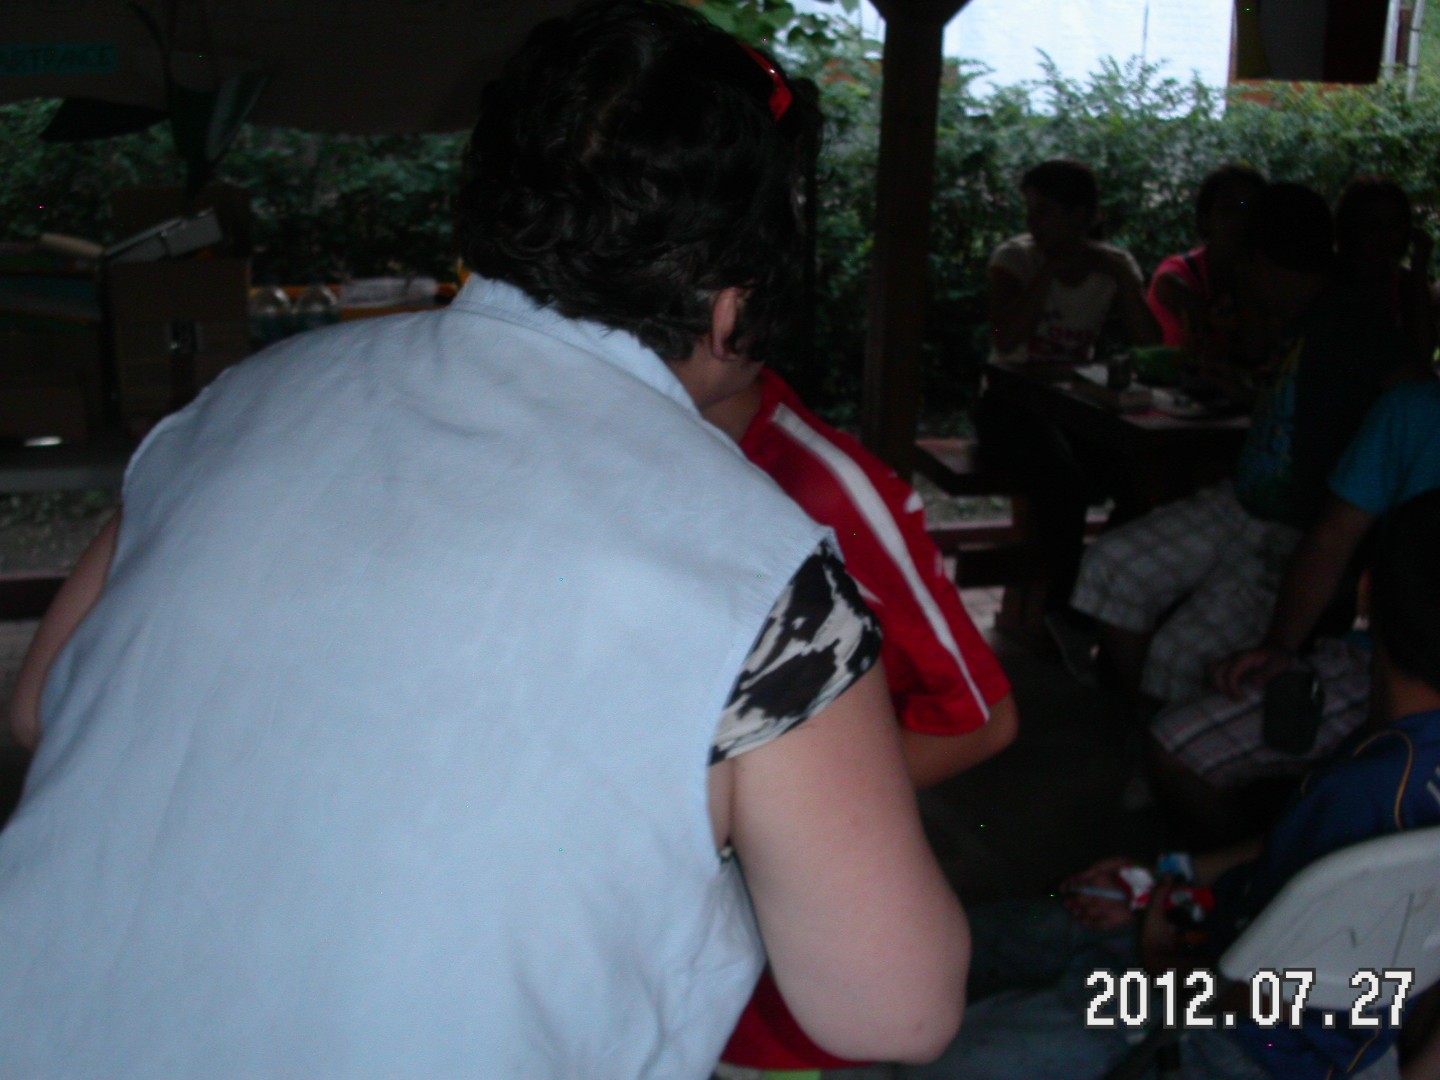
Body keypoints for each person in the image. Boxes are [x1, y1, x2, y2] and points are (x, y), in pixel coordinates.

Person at [0, 4, 970, 1077]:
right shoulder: (759, 559)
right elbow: (895, 1012)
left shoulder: (237, 403)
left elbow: (41, 707)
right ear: (742, 291)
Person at [901, 487, 1440, 1080]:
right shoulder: (1391, 776)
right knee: (986, 936)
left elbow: (1276, 994)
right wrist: (1169, 878)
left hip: (1222, 1025)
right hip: (1222, 953)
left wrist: (1166, 945)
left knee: (945, 1056)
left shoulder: (1366, 788)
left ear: (1365, 593)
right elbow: (1305, 871)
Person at [704, 367, 1019, 1074]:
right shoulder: (643, 446)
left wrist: (775, 814)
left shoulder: (822, 487)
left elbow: (983, 718)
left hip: (784, 965)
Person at [1071, 183, 1419, 709]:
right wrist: (1249, 390)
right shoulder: (1302, 316)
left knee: (1180, 653)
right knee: (1112, 567)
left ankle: (1165, 737)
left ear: (1258, 263)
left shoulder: (1352, 322)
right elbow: (1298, 397)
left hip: (1292, 531)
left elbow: (1415, 391)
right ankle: (1136, 715)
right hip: (1241, 502)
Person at [1149, 374, 1440, 845]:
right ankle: (1246, 870)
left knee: (1368, 798)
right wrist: (1280, 644)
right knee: (1178, 746)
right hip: (1383, 658)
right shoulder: (1415, 411)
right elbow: (1331, 539)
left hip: (1402, 686)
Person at [976, 160, 1161, 633]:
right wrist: (1047, 275)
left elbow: (1150, 344)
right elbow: (1004, 337)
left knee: (1142, 479)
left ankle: (1087, 593)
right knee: (1063, 481)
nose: (1033, 223)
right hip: (1008, 404)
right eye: (1030, 211)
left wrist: (1124, 279)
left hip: (1073, 407)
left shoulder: (1113, 265)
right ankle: (1064, 609)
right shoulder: (1014, 259)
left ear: (1080, 216)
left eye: (1045, 212)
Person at [1147, 163, 1267, 359]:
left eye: (1250, 209)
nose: (1240, 219)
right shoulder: (1177, 275)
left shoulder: (1272, 279)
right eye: (1227, 209)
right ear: (1205, 219)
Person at [1333, 174, 1435, 365]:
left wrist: (1419, 271)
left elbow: (1423, 353)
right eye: (1374, 225)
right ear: (1352, 226)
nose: (1385, 235)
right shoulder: (1326, 280)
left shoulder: (1405, 283)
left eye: (1394, 225)